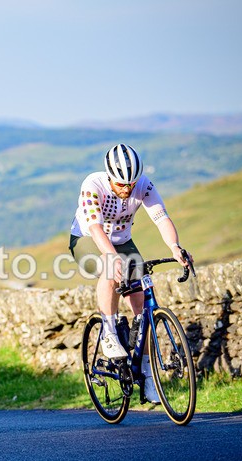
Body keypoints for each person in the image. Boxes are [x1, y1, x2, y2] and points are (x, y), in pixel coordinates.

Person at [69, 143, 193, 403]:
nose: (126, 190)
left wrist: (175, 246)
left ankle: (148, 376)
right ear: (109, 177)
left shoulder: (143, 185)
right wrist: (111, 256)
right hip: (88, 239)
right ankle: (109, 332)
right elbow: (94, 228)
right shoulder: (93, 185)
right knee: (110, 270)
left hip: (123, 241)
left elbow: (161, 217)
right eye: (121, 185)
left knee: (143, 307)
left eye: (130, 184)